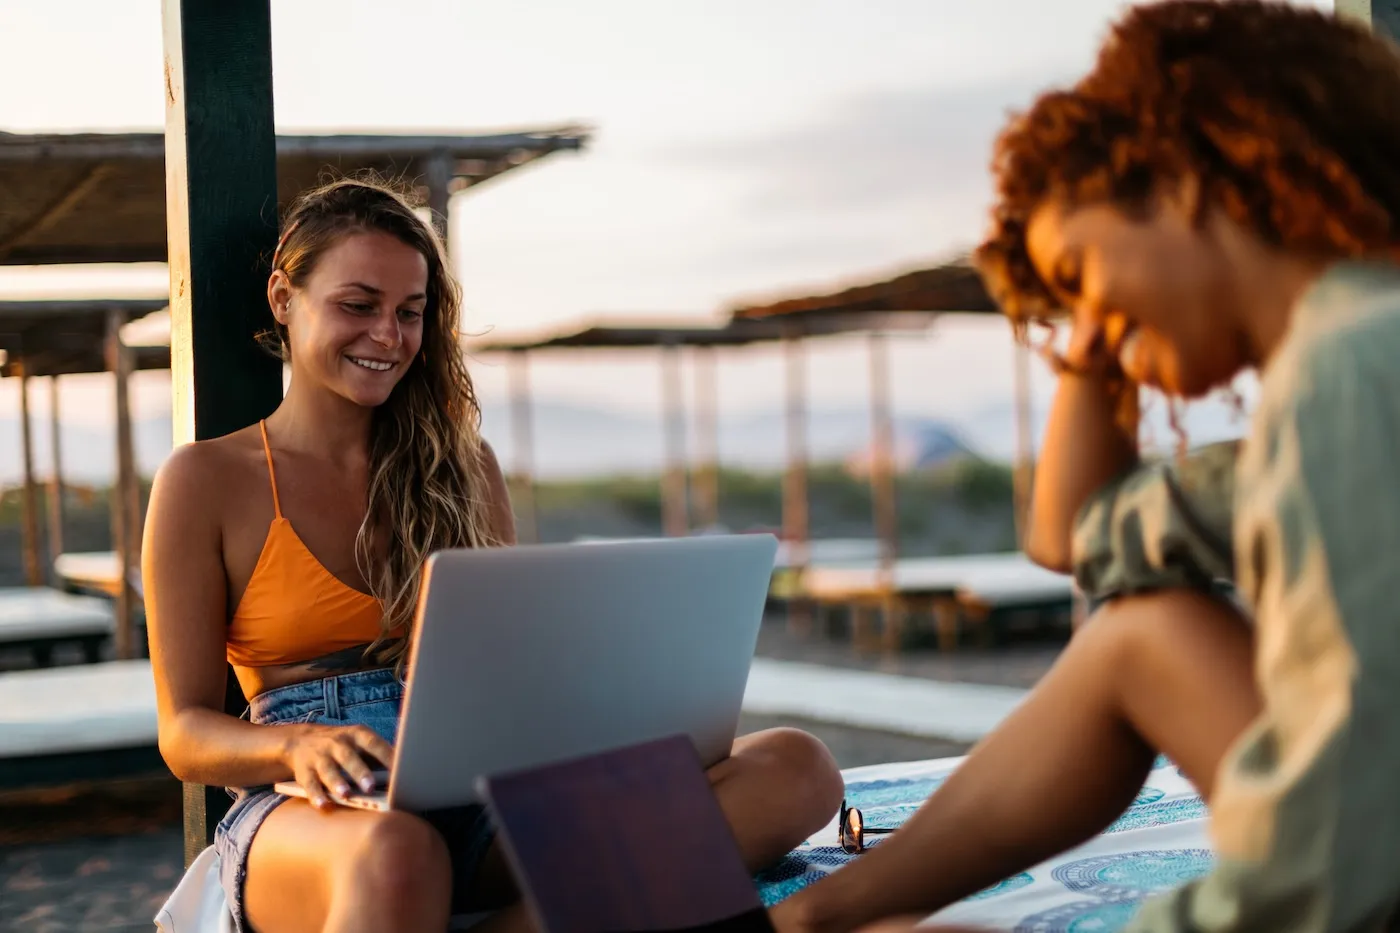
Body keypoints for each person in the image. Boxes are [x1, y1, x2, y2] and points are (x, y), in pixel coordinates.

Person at [771, 1, 1400, 931]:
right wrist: (1110, 332)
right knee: (1142, 634)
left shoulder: (1351, 370)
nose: (1087, 336)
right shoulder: (1342, 360)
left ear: (1179, 179)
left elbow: (1347, 857)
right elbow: (1085, 538)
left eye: (1077, 278)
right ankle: (810, 918)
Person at [144, 177, 845, 933]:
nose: (388, 335)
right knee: (398, 852)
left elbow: (513, 667)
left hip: (482, 788)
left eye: (410, 313)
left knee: (796, 768)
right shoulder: (206, 480)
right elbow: (184, 732)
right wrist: (297, 743)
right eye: (358, 304)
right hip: (305, 806)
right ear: (285, 297)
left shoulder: (463, 466)